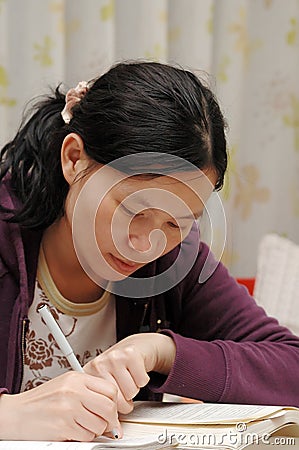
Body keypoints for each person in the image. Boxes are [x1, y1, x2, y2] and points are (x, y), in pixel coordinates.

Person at [0, 61, 298, 442]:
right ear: (74, 159)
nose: (145, 244)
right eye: (132, 210)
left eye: (178, 222)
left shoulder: (175, 262)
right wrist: (8, 414)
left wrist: (162, 351)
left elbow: (291, 365)